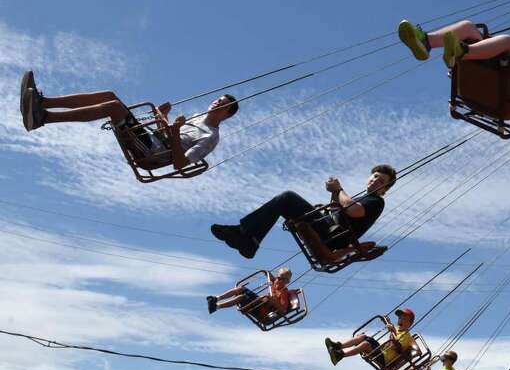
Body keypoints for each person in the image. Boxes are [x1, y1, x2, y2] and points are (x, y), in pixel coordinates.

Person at [19, 70, 236, 170]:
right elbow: (167, 134)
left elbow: (179, 163)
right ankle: (43, 102)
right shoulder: (197, 117)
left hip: (152, 154)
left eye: (222, 104)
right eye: (218, 99)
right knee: (110, 95)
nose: (216, 102)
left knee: (114, 108)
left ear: (227, 114)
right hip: (152, 140)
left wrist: (175, 129)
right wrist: (163, 117)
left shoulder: (210, 137)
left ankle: (43, 118)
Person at [210, 165, 397, 260]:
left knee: (287, 197)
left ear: (385, 189)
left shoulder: (376, 201)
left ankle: (248, 237)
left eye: (380, 181)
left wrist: (339, 189)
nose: (374, 181)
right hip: (331, 229)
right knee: (285, 202)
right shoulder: (364, 197)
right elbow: (337, 209)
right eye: (374, 177)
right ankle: (248, 236)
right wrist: (334, 193)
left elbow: (353, 211)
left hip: (334, 237)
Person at [397, 20, 510, 110]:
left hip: (492, 93)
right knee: (469, 26)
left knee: (507, 41)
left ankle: (461, 51)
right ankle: (427, 42)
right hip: (481, 71)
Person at [325, 307, 416, 366]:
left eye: (404, 319)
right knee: (362, 336)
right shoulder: (396, 329)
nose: (401, 320)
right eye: (400, 318)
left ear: (410, 324)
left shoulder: (407, 336)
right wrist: (388, 323)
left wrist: (392, 331)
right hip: (381, 351)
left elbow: (396, 346)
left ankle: (340, 355)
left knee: (366, 344)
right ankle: (337, 346)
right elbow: (393, 333)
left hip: (385, 359)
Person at [207, 267, 297, 318]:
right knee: (241, 289)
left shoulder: (283, 293)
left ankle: (216, 307)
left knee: (242, 297)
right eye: (278, 277)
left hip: (263, 310)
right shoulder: (275, 282)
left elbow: (283, 310)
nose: (278, 280)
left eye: (281, 279)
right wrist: (266, 272)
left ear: (287, 282)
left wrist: (274, 301)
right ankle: (216, 298)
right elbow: (270, 276)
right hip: (259, 301)